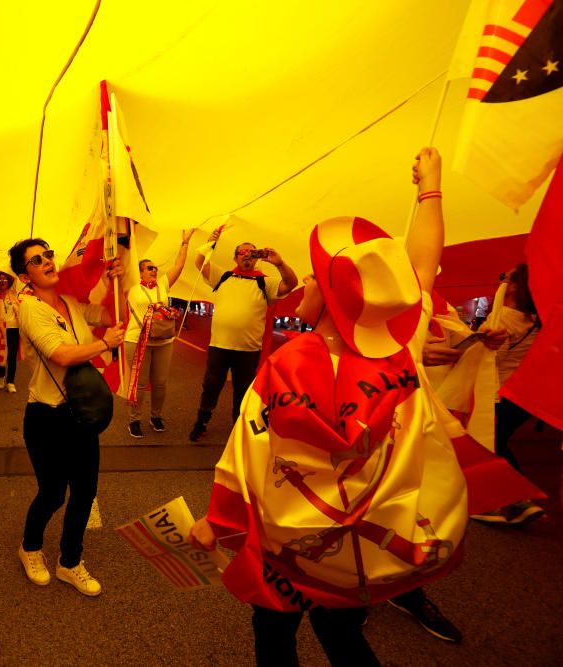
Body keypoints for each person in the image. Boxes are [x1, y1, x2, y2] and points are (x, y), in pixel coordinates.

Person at [189, 148, 467, 665]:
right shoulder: (400, 351)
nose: (303, 288)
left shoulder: (287, 364)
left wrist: (218, 519)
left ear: (334, 294)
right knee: (342, 636)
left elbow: (247, 450)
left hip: (288, 550)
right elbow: (423, 271)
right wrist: (432, 188)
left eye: (315, 279)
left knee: (273, 634)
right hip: (361, 556)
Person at [10, 238, 125, 597]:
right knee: (53, 493)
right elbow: (59, 354)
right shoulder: (29, 307)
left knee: (85, 491)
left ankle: (70, 562)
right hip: (46, 416)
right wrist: (106, 344)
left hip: (80, 414)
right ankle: (30, 548)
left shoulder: (71, 304)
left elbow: (112, 316)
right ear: (24, 275)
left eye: (49, 255)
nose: (47, 261)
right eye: (36, 260)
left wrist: (121, 280)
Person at [188, 234, 298, 442]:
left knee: (242, 391)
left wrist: (280, 263)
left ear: (257, 257)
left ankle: (238, 429)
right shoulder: (223, 276)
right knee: (211, 386)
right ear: (235, 257)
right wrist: (211, 242)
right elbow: (199, 262)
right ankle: (201, 422)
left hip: (248, 351)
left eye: (252, 253)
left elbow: (291, 283)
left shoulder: (264, 282)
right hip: (219, 347)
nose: (247, 256)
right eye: (242, 253)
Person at [471, 263, 545, 525]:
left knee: (492, 446)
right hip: (521, 397)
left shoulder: (502, 319)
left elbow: (488, 361)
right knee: (495, 445)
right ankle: (514, 499)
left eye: (506, 277)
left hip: (499, 396)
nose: (501, 280)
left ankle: (516, 499)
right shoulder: (532, 320)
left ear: (513, 285)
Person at [124, 230, 192, 437]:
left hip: (163, 341)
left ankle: (156, 416)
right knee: (140, 383)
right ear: (140, 272)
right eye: (149, 268)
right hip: (137, 340)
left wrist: (185, 243)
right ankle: (134, 419)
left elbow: (179, 266)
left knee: (160, 383)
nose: (154, 270)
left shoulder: (163, 284)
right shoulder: (131, 287)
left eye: (155, 267)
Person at [0, 271, 21, 393]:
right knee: (1, 355)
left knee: (12, 356)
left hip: (13, 328)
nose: (3, 281)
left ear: (9, 281)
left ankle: (11, 381)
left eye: (5, 279)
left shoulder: (13, 294)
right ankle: (1, 376)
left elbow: (19, 310)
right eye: (0, 279)